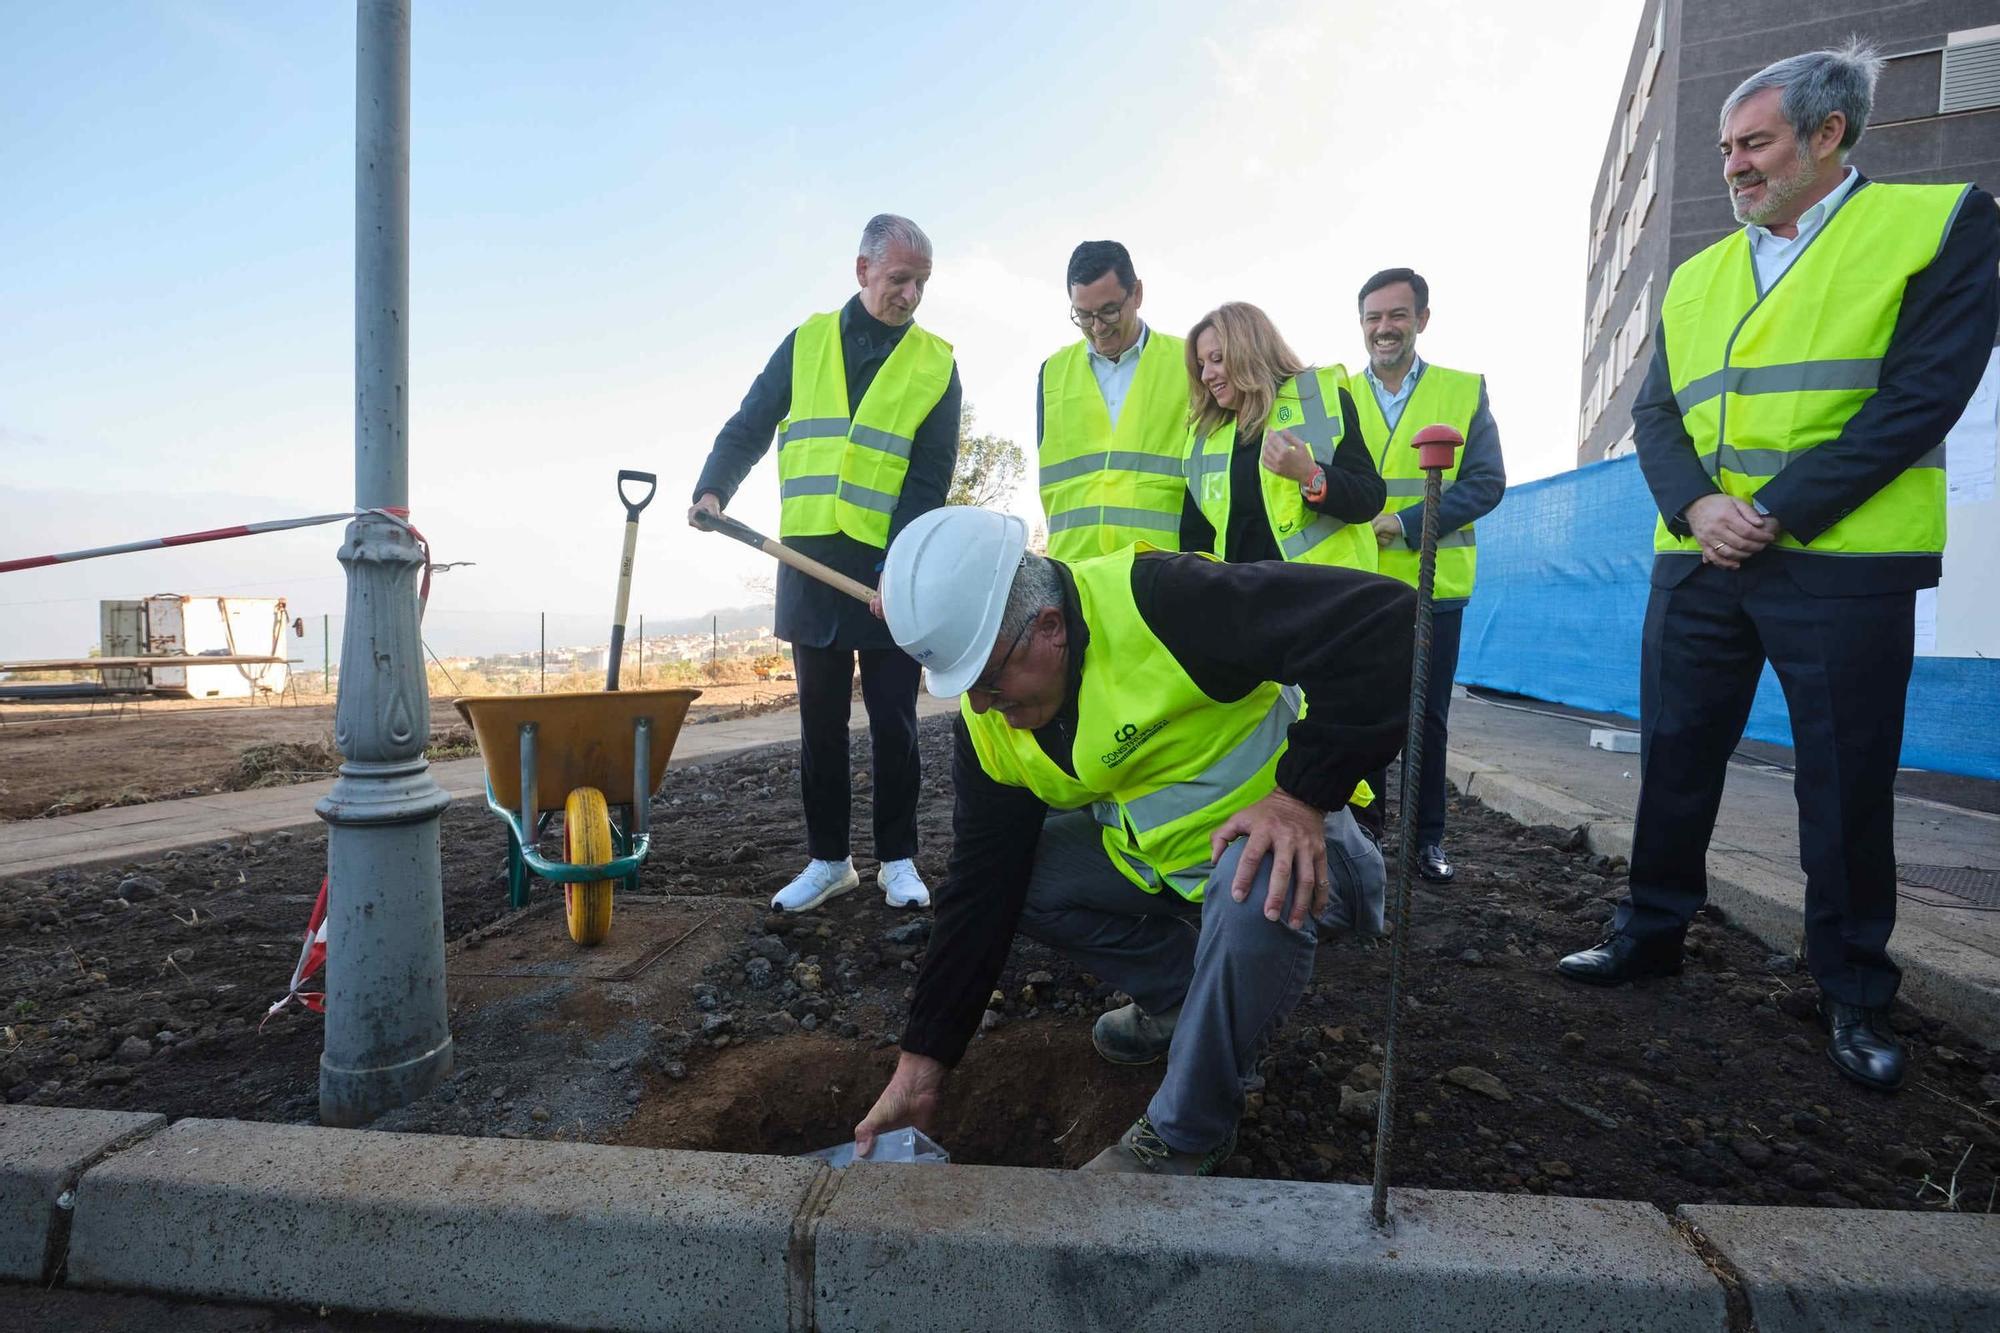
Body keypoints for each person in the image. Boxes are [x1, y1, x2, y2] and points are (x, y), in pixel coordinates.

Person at [1556, 43, 1998, 1095]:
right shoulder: (1703, 270)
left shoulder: (1934, 227)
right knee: (1671, 752)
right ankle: (1648, 930)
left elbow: (1918, 398)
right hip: (1697, 556)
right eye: (1722, 148)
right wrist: (1697, 505)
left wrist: (1773, 509)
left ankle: (1850, 990)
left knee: (1841, 781)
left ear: (1827, 135)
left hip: (1841, 562)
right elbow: (1654, 413)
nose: (1731, 166)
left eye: (1751, 143)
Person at [853, 505, 1414, 1174]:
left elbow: (1390, 619)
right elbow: (978, 889)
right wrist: (922, 1066)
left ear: (1050, 628)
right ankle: (1187, 1001)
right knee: (1016, 882)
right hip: (1171, 864)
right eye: (964, 687)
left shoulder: (1165, 603)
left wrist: (1301, 794)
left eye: (987, 679)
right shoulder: (992, 725)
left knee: (1254, 879)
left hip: (1310, 853)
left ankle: (1186, 1134)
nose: (979, 704)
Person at [689, 214, 962, 914]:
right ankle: (829, 860)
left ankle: (898, 859)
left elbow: (928, 481)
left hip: (887, 571)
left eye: (921, 283)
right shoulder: (806, 343)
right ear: (862, 270)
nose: (911, 296)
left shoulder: (936, 362)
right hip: (809, 564)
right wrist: (714, 486)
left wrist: (895, 571)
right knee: (819, 725)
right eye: (900, 279)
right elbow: (751, 421)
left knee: (897, 721)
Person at [1350, 268, 1507, 879]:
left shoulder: (1462, 391)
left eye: (1396, 316)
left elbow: (1486, 482)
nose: (1384, 329)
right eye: (1373, 318)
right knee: (1359, 710)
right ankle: (1362, 838)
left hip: (1432, 585)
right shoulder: (1335, 394)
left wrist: (1408, 523)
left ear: (1422, 319)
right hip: (1356, 587)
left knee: (1426, 719)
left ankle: (1425, 841)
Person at [1180, 302, 1384, 569]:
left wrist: (1310, 475)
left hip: (1326, 595)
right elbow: (1196, 539)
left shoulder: (1317, 400)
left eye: (1217, 359)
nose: (1206, 375)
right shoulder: (1203, 437)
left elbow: (1370, 497)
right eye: (1201, 364)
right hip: (1242, 603)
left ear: (1249, 351)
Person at [1037, 241, 1189, 560]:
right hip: (1075, 574)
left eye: (1109, 311)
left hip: (1165, 574)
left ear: (1137, 294)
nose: (1097, 327)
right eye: (1083, 315)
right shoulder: (1051, 374)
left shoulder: (1190, 363)